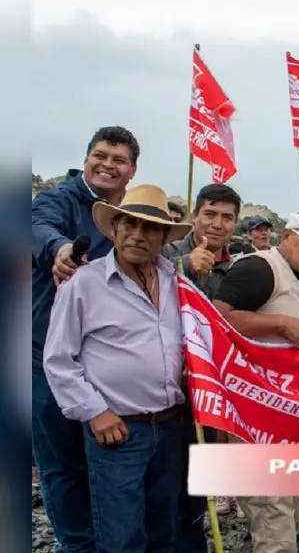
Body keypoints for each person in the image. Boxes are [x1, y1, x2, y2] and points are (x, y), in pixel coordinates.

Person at [43, 184, 190, 552]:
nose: (137, 235)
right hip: (118, 432)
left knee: (163, 532)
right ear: (115, 228)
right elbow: (58, 359)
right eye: (129, 224)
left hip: (170, 425)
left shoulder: (177, 282)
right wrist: (95, 412)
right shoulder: (84, 284)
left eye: (150, 228)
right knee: (120, 538)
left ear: (163, 237)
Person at [31, 125, 139, 551]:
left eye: (118, 160)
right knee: (61, 463)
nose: (107, 165)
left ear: (132, 170)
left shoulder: (131, 216)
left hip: (105, 363)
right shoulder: (58, 199)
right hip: (45, 357)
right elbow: (38, 227)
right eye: (101, 155)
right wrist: (58, 250)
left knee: (109, 460)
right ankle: (74, 545)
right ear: (87, 157)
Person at [212, 209, 299, 552]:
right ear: (287, 236)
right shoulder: (260, 267)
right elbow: (216, 318)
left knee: (289, 517)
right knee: (274, 520)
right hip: (258, 419)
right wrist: (279, 324)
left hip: (292, 422)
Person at [160, 183, 243, 551]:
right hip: (160, 388)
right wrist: (184, 268)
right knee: (163, 484)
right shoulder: (166, 252)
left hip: (206, 390)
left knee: (197, 487)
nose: (217, 224)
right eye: (210, 213)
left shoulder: (239, 266)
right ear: (195, 215)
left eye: (227, 217)